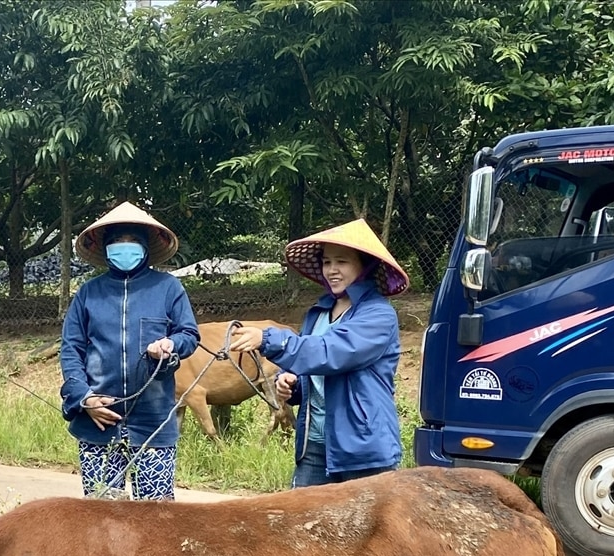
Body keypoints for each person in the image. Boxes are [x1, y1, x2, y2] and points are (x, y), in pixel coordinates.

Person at [228, 218, 408, 486]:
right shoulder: (319, 312)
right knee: (302, 526)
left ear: (365, 266)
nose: (331, 270)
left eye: (342, 262)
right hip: (313, 445)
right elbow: (312, 369)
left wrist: (268, 339)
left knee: (365, 529)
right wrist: (291, 384)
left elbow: (330, 352)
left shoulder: (378, 315)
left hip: (362, 450)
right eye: (326, 262)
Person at [59, 202, 200, 500]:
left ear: (146, 247)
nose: (125, 248)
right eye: (117, 242)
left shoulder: (168, 288)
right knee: (101, 518)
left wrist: (169, 345)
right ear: (106, 248)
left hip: (153, 422)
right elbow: (71, 349)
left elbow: (188, 335)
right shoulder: (88, 293)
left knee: (155, 521)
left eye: (132, 241)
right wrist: (84, 399)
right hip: (97, 422)